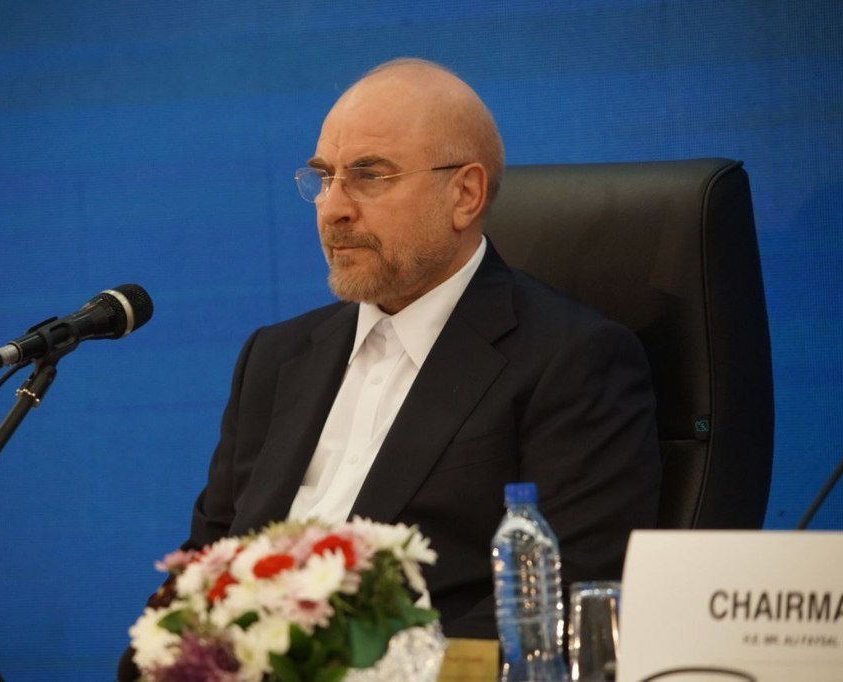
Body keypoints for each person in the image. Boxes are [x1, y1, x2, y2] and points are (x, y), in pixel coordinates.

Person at [121, 58, 660, 677]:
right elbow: (205, 561)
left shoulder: (571, 359)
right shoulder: (274, 358)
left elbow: (559, 600)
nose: (332, 208)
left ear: (464, 195)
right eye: (324, 178)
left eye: (369, 176)